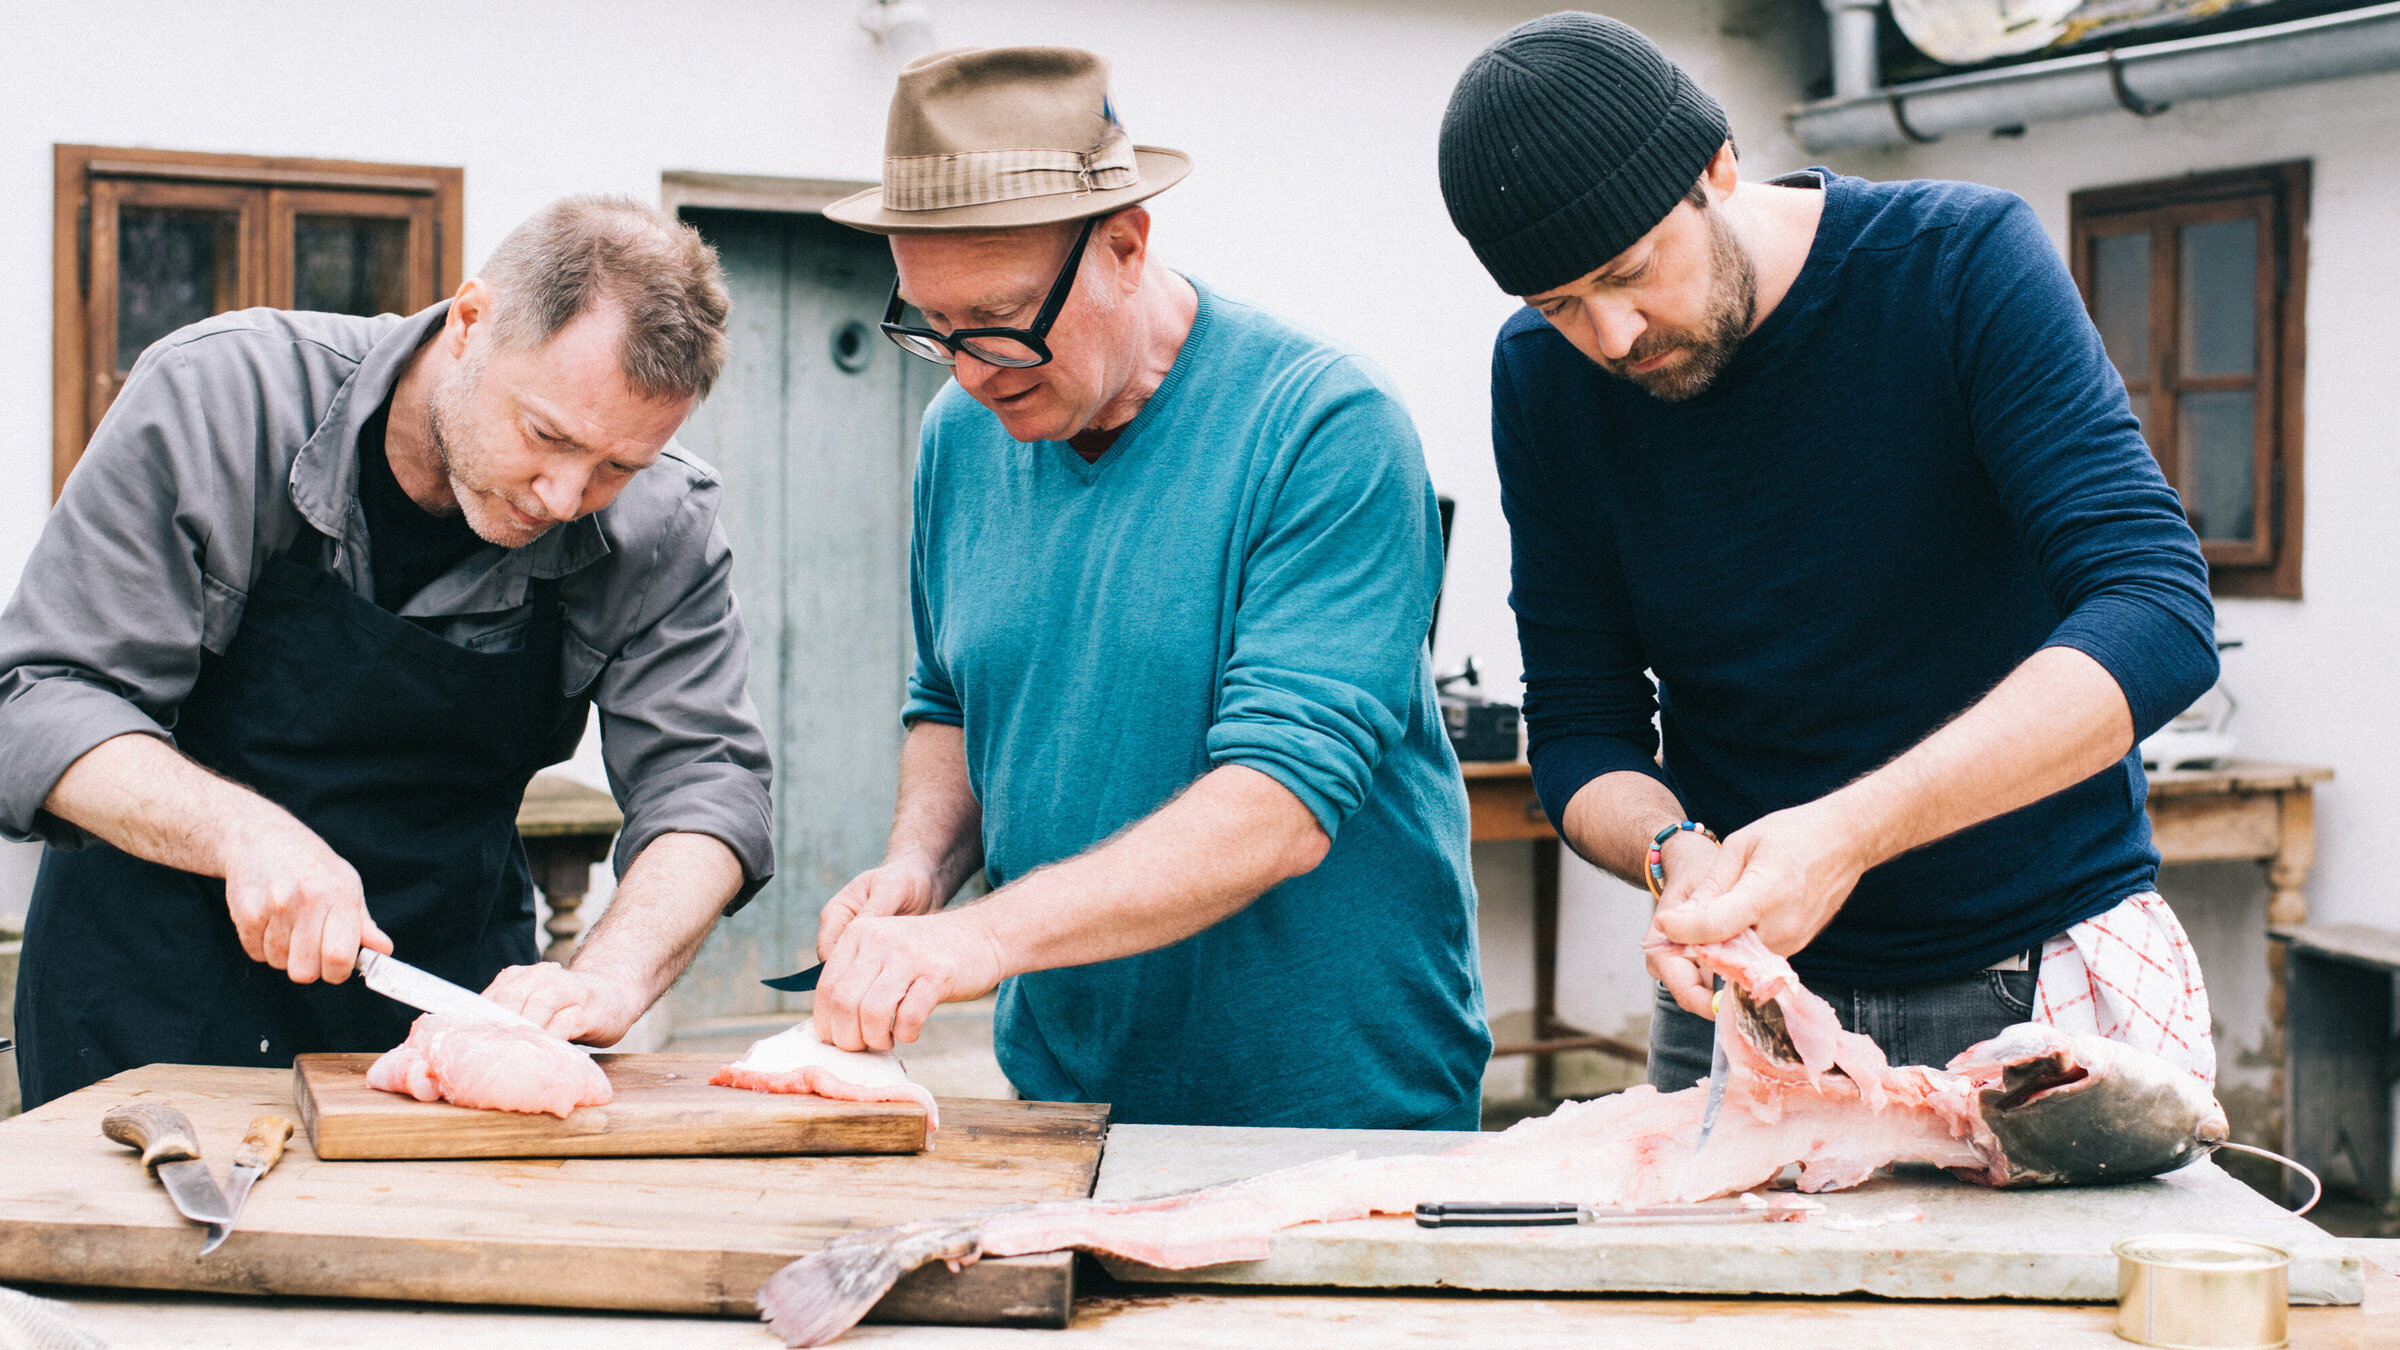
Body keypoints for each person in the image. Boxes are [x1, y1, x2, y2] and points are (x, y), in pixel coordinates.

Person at [1435, 13, 2220, 1091]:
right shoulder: (1541, 376)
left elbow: (2158, 612)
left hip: (2035, 969)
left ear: (1717, 164)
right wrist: (1675, 855)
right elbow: (1580, 726)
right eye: (1559, 304)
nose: (1611, 339)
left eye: (1628, 271)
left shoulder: (1958, 265)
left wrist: (1850, 833)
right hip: (1750, 991)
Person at [804, 45, 1488, 1130]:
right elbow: (951, 702)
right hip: (1066, 1094)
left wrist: (979, 937)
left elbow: (1281, 806)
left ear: (1126, 246)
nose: (977, 370)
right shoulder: (961, 438)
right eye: (936, 331)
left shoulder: (1322, 426)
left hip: (1328, 1104)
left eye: (1004, 319)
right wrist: (919, 870)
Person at [2, 196, 774, 1109]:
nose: (567, 496)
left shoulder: (664, 525)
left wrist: (610, 975)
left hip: (442, 1026)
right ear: (470, 322)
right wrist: (246, 835)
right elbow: (42, 696)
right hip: (146, 999)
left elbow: (709, 784)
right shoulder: (218, 400)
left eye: (618, 467)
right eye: (547, 436)